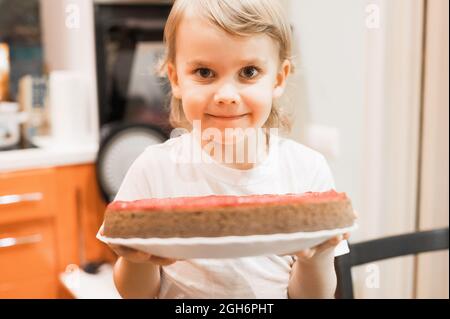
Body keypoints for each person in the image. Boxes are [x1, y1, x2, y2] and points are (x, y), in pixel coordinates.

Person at [104, 0, 352, 299]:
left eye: (248, 72)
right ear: (175, 78)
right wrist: (136, 257)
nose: (226, 95)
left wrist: (320, 254)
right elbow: (137, 294)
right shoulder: (153, 169)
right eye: (205, 72)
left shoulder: (307, 170)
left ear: (278, 78)